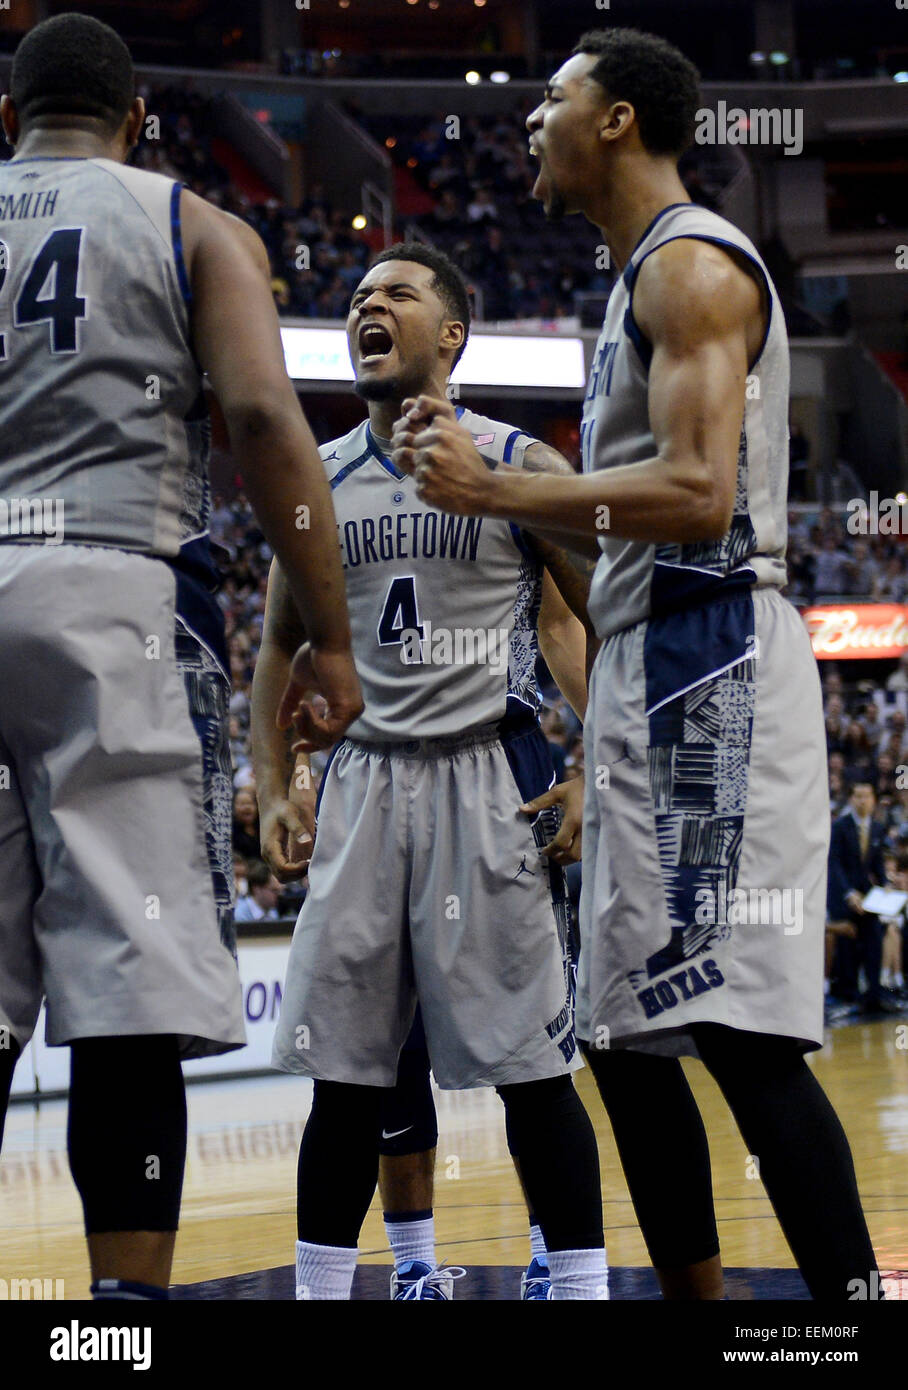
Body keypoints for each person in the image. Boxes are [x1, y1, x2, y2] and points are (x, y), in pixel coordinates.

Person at [391, 27, 879, 1300]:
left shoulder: (693, 269)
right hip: (638, 668)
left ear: (615, 120)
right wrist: (497, 498)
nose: (529, 123)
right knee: (621, 1037)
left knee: (737, 1030)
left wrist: (497, 486)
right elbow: (627, 513)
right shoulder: (630, 286)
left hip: (710, 653)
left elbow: (699, 495)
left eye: (551, 99)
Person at [0, 13, 361, 1301]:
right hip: (112, 594)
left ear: (8, 120)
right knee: (124, 992)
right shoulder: (190, 223)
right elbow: (263, 415)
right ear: (137, 117)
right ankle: (121, 1332)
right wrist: (325, 632)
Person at [257, 243, 608, 1300]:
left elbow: (608, 619)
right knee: (344, 1075)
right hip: (364, 782)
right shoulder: (312, 475)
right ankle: (328, 1289)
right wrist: (275, 784)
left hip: (484, 774)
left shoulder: (518, 464)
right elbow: (278, 643)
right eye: (357, 298)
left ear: (451, 334)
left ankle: (581, 1283)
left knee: (532, 1071)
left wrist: (597, 764)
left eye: (396, 294)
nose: (368, 306)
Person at [827, 783, 900, 1014]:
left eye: (867, 796)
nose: (862, 801)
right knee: (848, 944)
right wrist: (849, 893)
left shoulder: (878, 828)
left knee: (874, 942)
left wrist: (886, 884)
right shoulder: (839, 827)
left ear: (873, 800)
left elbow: (877, 864)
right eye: (858, 796)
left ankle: (874, 996)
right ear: (851, 799)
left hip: (868, 899)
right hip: (843, 896)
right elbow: (835, 865)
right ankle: (850, 998)